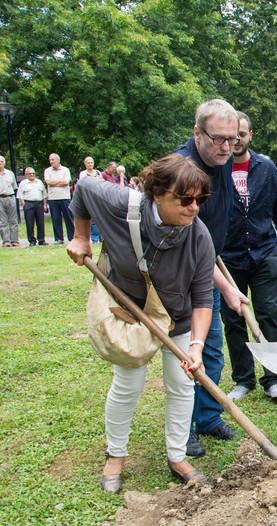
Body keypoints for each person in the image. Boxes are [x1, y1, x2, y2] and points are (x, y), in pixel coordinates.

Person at [67, 153, 215, 491]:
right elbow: (84, 189)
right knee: (128, 385)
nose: (194, 208)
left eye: (201, 200)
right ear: (158, 193)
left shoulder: (199, 238)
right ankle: (115, 455)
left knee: (181, 383)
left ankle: (177, 456)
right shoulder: (122, 204)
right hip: (130, 313)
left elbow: (203, 300)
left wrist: (196, 346)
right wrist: (80, 235)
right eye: (185, 199)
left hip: (177, 318)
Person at [175, 99, 247, 457]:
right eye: (217, 138)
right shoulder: (182, 171)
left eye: (232, 140)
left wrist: (225, 280)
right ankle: (183, 429)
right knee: (190, 358)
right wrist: (227, 288)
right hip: (178, 280)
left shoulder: (221, 163)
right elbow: (189, 238)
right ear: (197, 132)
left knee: (214, 354)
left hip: (206, 268)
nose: (225, 147)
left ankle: (207, 417)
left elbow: (210, 235)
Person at [221, 112, 277, 402]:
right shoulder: (217, 169)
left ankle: (272, 379)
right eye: (232, 134)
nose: (236, 140)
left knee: (270, 315)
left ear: (250, 135)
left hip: (265, 253)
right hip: (228, 258)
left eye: (242, 134)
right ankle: (243, 380)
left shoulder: (265, 167)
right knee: (234, 319)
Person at [44, 154, 74, 244]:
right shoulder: (47, 171)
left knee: (68, 218)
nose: (51, 161)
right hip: (53, 198)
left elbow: (66, 182)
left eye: (53, 160)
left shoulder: (65, 170)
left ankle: (72, 237)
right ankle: (58, 238)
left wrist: (54, 183)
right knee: (56, 219)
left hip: (65, 197)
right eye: (50, 160)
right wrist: (60, 182)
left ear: (58, 160)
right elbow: (48, 182)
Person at [17, 168, 48, 246]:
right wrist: (24, 204)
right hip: (28, 203)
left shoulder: (39, 182)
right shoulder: (23, 183)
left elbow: (44, 194)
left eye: (33, 173)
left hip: (39, 203)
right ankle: (32, 240)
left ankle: (41, 240)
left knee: (40, 223)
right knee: (30, 223)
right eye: (30, 173)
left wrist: (44, 204)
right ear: (26, 174)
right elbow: (20, 195)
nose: (32, 175)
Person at [79, 157, 102, 244]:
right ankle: (95, 239)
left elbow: (101, 183)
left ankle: (102, 238)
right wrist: (96, 179)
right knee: (93, 219)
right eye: (88, 163)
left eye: (91, 162)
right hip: (89, 197)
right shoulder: (83, 174)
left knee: (100, 217)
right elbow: (85, 184)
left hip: (98, 197)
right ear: (85, 164)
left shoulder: (98, 172)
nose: (90, 164)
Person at [0, 155, 19, 247]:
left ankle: (14, 240)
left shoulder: (10, 173)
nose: (0, 163)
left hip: (10, 197)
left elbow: (14, 186)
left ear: (4, 162)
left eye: (1, 161)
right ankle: (6, 241)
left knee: (13, 220)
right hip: (0, 198)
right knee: (2, 221)